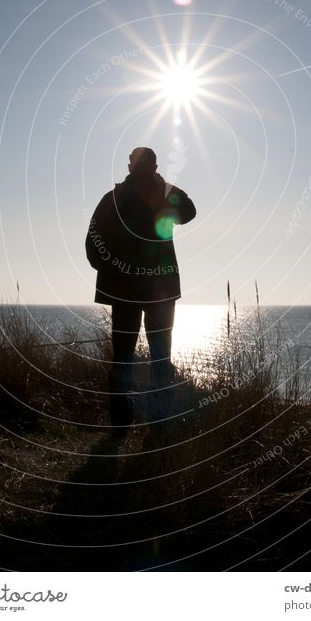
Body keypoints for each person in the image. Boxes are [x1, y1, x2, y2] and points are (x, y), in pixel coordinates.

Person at [85, 147, 196, 435]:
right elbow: (189, 212)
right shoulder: (161, 194)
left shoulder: (112, 199)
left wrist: (112, 271)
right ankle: (159, 423)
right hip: (160, 290)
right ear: (154, 166)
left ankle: (120, 424)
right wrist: (163, 187)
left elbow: (93, 243)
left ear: (130, 165)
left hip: (125, 292)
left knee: (122, 357)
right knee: (161, 357)